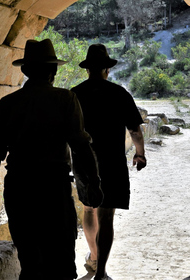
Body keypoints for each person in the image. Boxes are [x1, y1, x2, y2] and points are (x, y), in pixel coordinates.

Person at [0, 39, 102, 280]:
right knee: (61, 263)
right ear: (53, 71)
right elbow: (81, 147)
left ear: (25, 71)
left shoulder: (7, 104)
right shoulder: (66, 100)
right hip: (53, 191)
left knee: (30, 262)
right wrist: (94, 183)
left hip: (19, 190)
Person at [71, 44, 147, 280]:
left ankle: (93, 257)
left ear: (87, 70)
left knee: (88, 207)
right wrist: (140, 153)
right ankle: (101, 272)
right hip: (112, 162)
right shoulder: (119, 93)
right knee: (106, 215)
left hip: (84, 162)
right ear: (107, 69)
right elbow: (134, 129)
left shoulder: (75, 94)